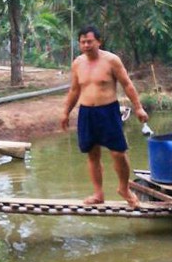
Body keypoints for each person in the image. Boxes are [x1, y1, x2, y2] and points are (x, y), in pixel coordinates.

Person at [60, 24, 148, 208]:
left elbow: (127, 84)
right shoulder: (77, 63)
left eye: (90, 41)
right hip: (86, 112)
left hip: (108, 111)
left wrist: (138, 108)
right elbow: (74, 90)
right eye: (83, 42)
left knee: (118, 153)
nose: (86, 45)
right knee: (92, 154)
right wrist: (65, 112)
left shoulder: (111, 60)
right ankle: (98, 194)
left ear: (99, 41)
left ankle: (124, 188)